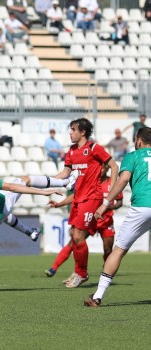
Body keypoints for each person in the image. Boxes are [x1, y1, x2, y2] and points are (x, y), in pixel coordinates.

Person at [84, 127, 151, 307]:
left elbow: (122, 180)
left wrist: (105, 204)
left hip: (143, 206)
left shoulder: (133, 156)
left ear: (138, 140)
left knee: (119, 250)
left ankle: (97, 296)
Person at [50, 118, 119, 288]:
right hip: (77, 197)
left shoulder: (94, 148)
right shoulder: (72, 151)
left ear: (83, 132)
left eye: (73, 129)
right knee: (74, 236)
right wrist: (48, 181)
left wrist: (112, 191)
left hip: (92, 198)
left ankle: (82, 273)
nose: (70, 132)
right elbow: (66, 172)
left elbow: (114, 166)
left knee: (79, 236)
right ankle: (78, 272)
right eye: (70, 129)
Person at [45, 163, 123, 279]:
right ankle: (54, 268)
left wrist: (109, 207)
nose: (99, 170)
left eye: (101, 168)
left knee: (108, 250)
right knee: (75, 241)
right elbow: (75, 196)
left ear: (106, 169)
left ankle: (106, 273)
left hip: (105, 221)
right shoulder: (90, 182)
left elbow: (120, 202)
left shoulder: (111, 184)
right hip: (90, 219)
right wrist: (60, 204)